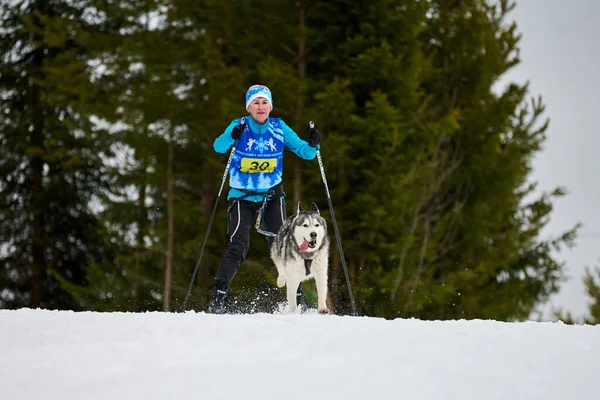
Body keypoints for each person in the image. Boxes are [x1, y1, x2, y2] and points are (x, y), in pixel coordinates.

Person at [208, 84, 321, 314]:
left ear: (270, 106)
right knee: (239, 245)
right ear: (248, 107)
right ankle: (218, 298)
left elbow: (306, 153)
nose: (261, 107)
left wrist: (313, 144)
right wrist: (232, 136)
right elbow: (218, 147)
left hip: (272, 197)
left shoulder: (279, 127)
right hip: (242, 197)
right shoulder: (239, 125)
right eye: (256, 103)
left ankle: (297, 300)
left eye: (264, 102)